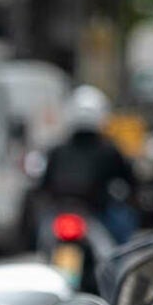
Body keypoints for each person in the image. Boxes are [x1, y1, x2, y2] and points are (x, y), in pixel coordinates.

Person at [38, 85, 140, 243]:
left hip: (68, 212)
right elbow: (130, 180)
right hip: (92, 212)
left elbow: (43, 185)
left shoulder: (57, 149)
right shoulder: (109, 150)